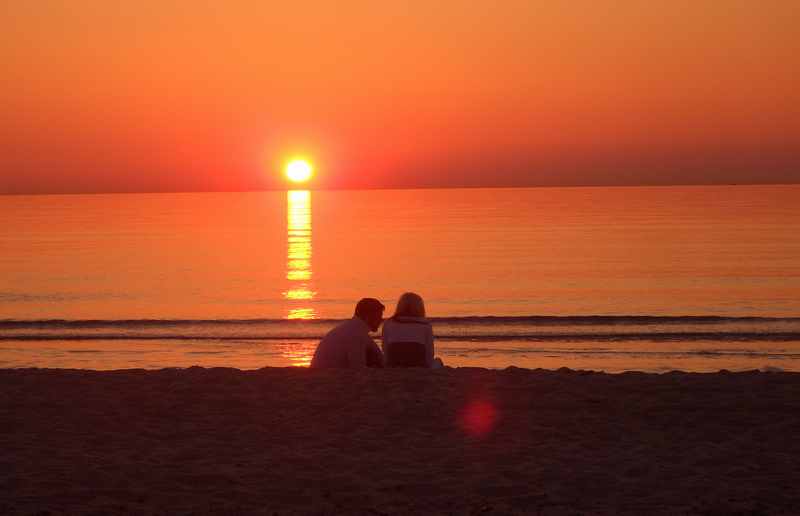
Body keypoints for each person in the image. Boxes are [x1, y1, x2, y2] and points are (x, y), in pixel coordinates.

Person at [310, 298, 385, 368]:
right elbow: (358, 366)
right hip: (327, 373)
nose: (380, 320)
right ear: (368, 316)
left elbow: (379, 356)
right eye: (379, 316)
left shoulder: (353, 328)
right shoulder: (355, 334)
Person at [381, 292, 443, 368]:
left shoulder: (388, 323)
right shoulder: (425, 325)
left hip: (394, 364)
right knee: (438, 361)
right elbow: (429, 353)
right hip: (419, 365)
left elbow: (385, 348)